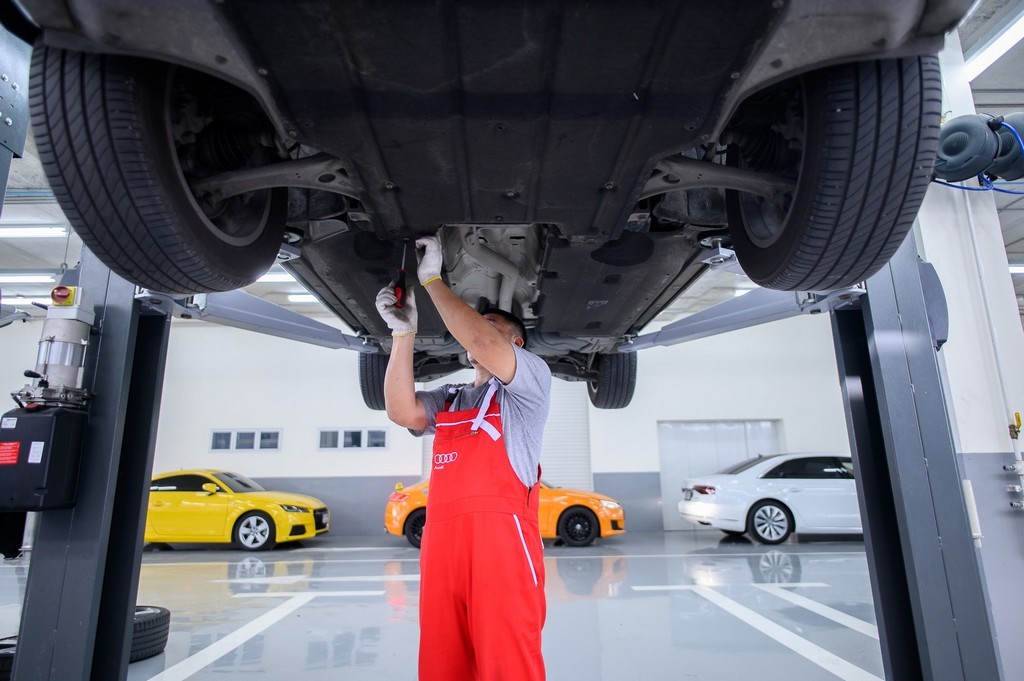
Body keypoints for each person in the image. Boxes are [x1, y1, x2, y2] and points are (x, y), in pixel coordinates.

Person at [375, 233, 551, 681]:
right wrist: (403, 333)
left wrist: (432, 281)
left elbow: (485, 343)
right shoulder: (452, 398)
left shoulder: (530, 385)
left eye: (488, 325)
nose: (474, 329)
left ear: (517, 344)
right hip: (442, 549)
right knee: (443, 661)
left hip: (502, 550)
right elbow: (401, 410)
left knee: (507, 662)